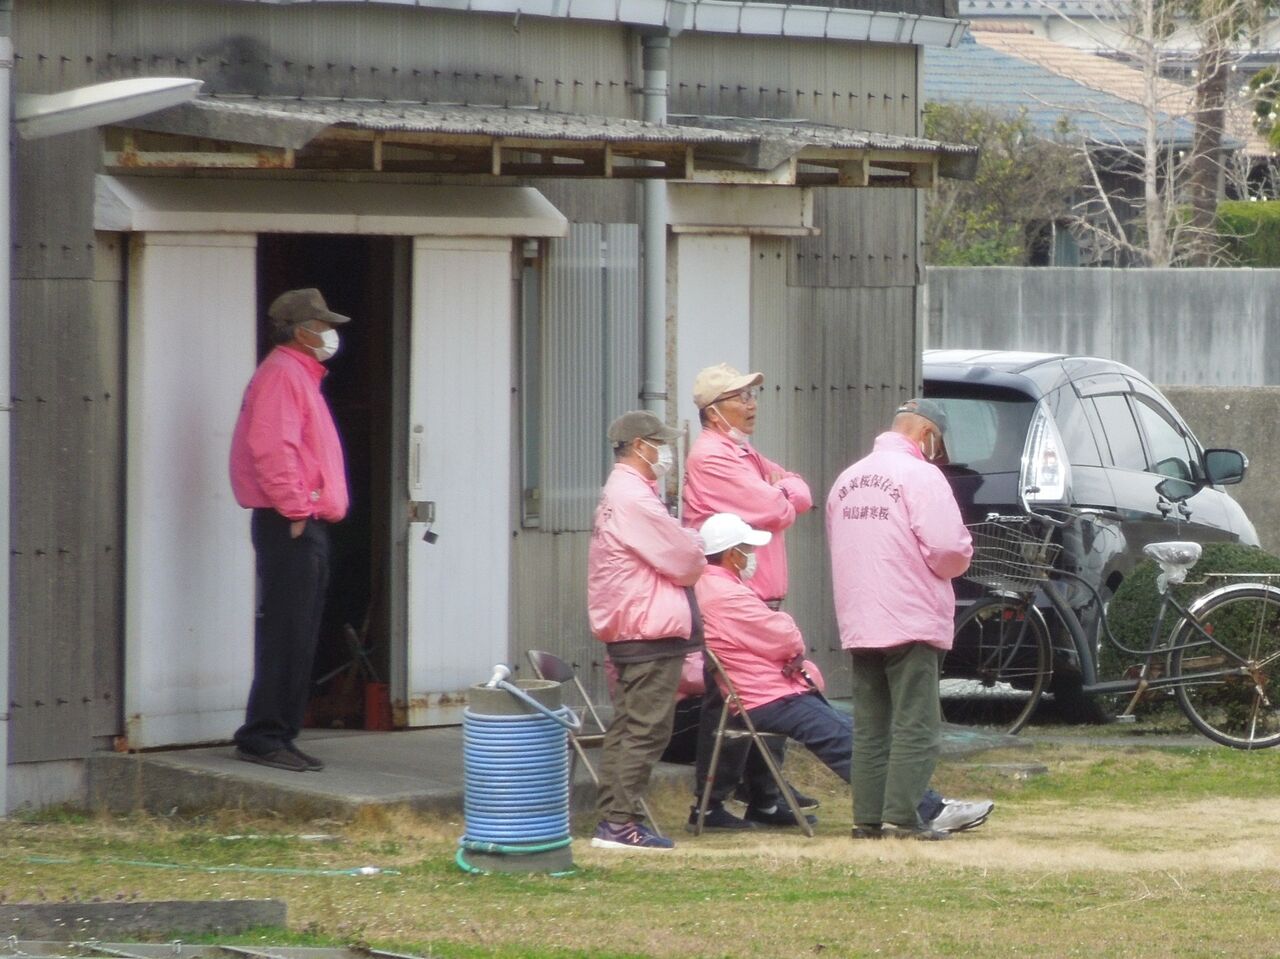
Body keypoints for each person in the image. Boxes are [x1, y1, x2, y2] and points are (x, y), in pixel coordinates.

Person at [695, 512, 993, 837]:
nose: (753, 556)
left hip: (763, 692)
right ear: (732, 554)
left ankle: (915, 807)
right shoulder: (728, 595)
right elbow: (784, 636)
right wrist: (787, 631)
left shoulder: (713, 587)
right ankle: (926, 809)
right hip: (770, 695)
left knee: (853, 736)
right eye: (748, 549)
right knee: (850, 740)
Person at [826, 398, 976, 840]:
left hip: (860, 616)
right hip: (910, 614)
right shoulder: (921, 475)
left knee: (871, 727)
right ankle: (902, 818)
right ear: (927, 435)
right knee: (916, 724)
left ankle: (866, 819)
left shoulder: (847, 479)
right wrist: (960, 559)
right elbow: (948, 549)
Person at [683, 363, 815, 829]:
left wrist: (784, 491)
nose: (751, 404)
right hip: (735, 597)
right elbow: (776, 506)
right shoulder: (712, 457)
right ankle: (712, 803)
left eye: (752, 395)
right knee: (730, 703)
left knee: (766, 696)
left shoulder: (742, 451)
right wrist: (782, 494)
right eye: (741, 397)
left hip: (756, 593)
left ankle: (764, 795)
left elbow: (796, 487)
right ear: (714, 410)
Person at [229, 288, 351, 773]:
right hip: (292, 522)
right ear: (302, 331)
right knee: (287, 631)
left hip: (300, 520)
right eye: (323, 326)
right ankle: (264, 735)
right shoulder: (284, 374)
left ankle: (278, 732)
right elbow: (273, 448)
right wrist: (297, 509)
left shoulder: (297, 374)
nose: (330, 334)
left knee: (298, 631)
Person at [587, 410, 707, 851]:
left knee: (627, 728)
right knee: (646, 729)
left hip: (631, 624)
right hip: (648, 627)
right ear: (640, 446)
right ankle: (620, 823)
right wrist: (694, 545)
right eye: (662, 443)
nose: (668, 452)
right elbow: (686, 560)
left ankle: (616, 818)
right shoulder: (635, 497)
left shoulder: (618, 493)